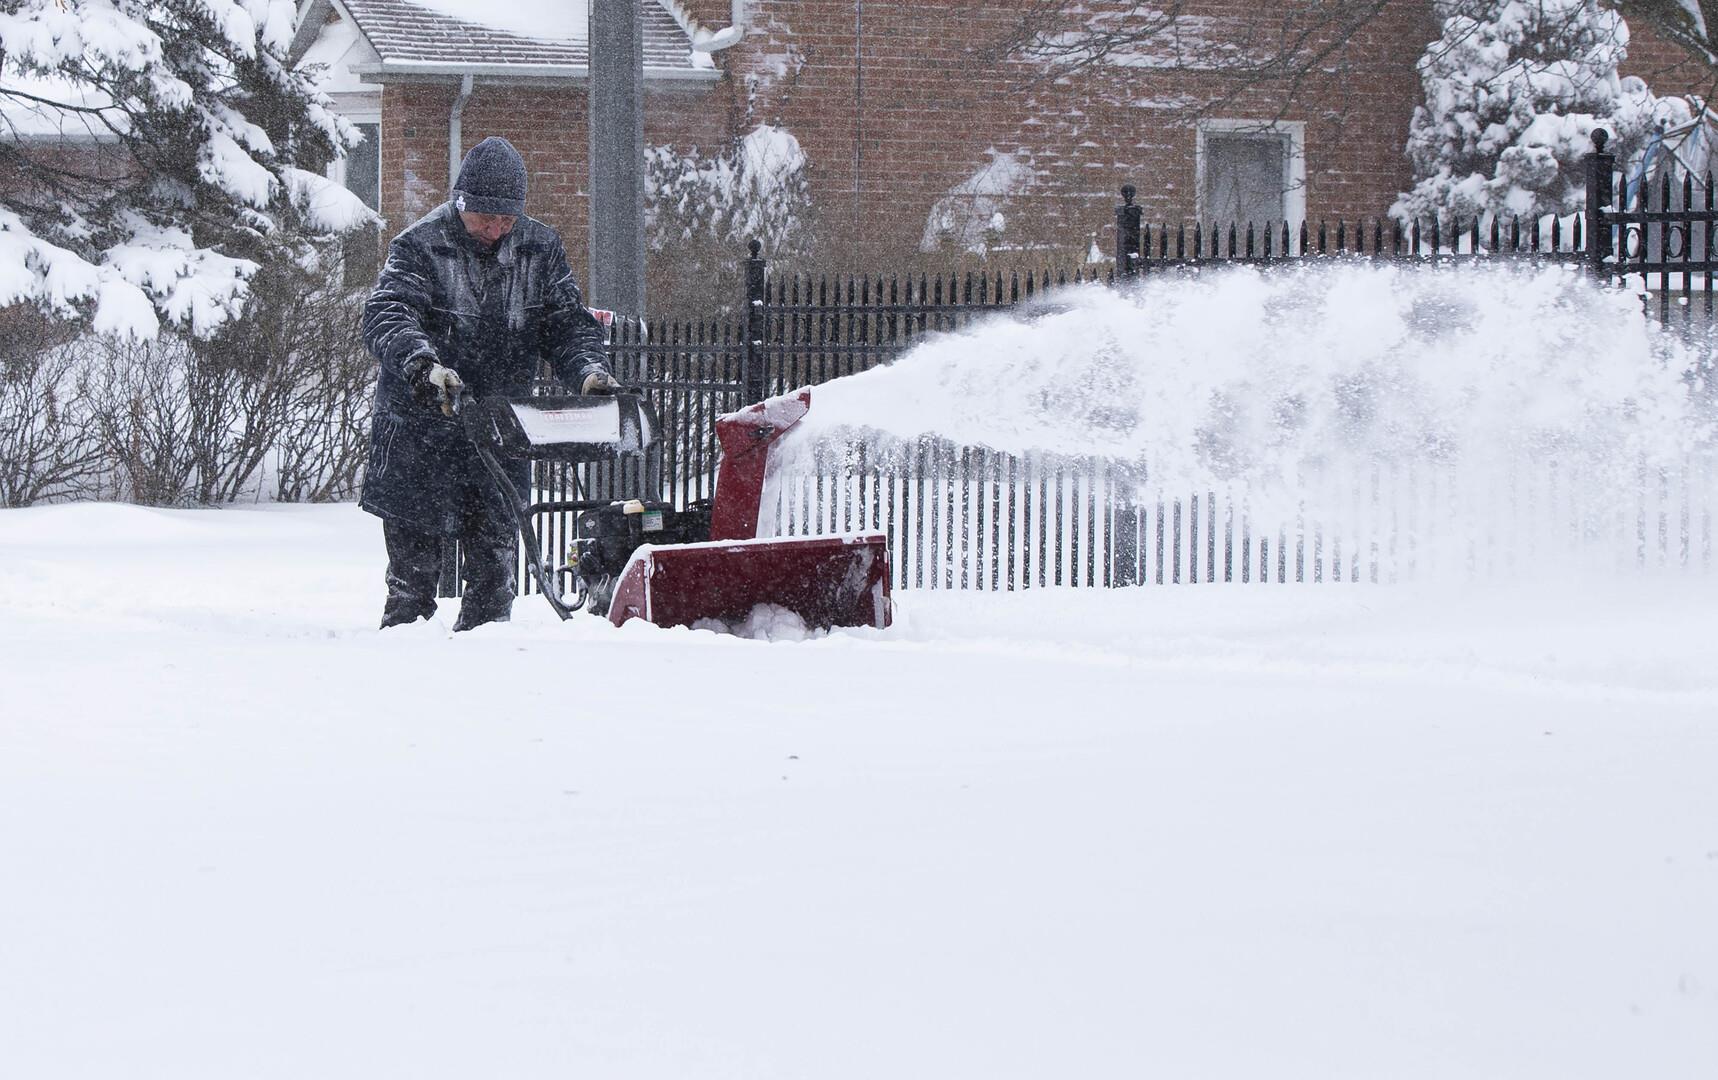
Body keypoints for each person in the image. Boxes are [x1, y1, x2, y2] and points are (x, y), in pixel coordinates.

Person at [360, 135, 618, 631]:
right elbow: (388, 315)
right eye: (486, 218)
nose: (498, 229)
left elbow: (567, 323)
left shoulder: (540, 249)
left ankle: (489, 653)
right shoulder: (419, 245)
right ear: (462, 204)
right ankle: (403, 654)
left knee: (495, 563)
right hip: (423, 429)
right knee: (413, 573)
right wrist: (423, 366)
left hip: (500, 428)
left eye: (507, 218)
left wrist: (588, 370)